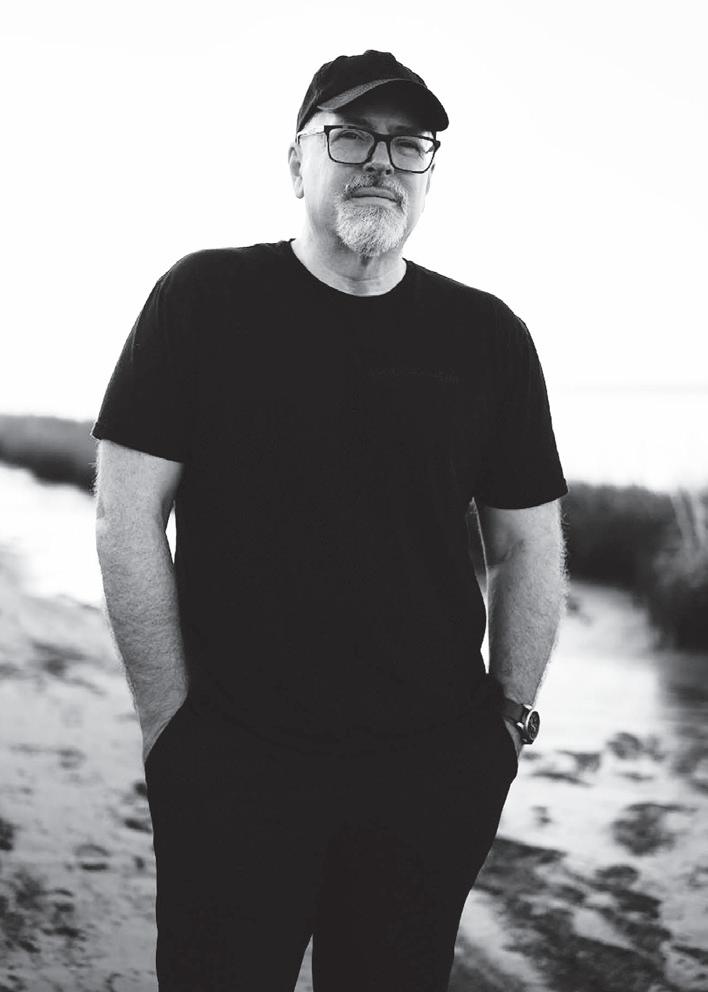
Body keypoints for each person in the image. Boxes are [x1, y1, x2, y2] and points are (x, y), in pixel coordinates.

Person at [92, 49, 568, 992]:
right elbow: (126, 514)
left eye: (408, 144)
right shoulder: (205, 300)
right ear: (296, 161)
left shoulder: (487, 337)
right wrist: (170, 727)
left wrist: (505, 729)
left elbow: (529, 544)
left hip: (431, 775)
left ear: (428, 173)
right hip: (235, 761)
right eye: (349, 136)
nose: (381, 162)